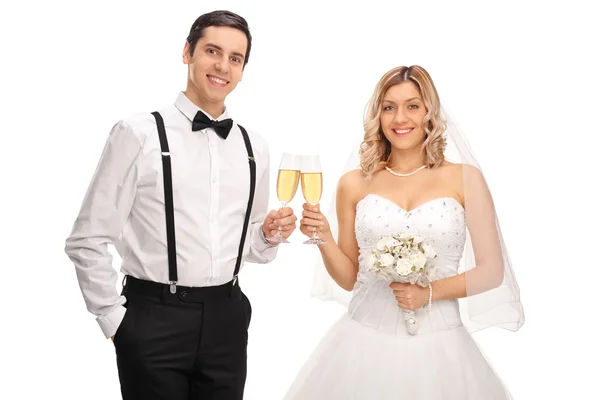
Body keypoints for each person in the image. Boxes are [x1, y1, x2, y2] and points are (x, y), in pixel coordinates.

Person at [64, 10, 297, 400]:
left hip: (228, 316)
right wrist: (115, 321)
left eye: (235, 58)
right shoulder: (137, 133)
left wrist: (269, 234)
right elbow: (86, 239)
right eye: (212, 51)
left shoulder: (253, 146)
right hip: (153, 318)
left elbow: (253, 248)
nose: (223, 66)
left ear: (242, 69)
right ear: (187, 52)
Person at [284, 65, 524, 399]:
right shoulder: (353, 183)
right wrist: (322, 237)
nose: (400, 118)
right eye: (389, 107)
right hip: (363, 341)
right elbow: (350, 278)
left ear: (429, 112)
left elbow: (491, 271)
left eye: (412, 105)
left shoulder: (465, 178)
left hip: (440, 347)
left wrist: (428, 293)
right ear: (378, 116)